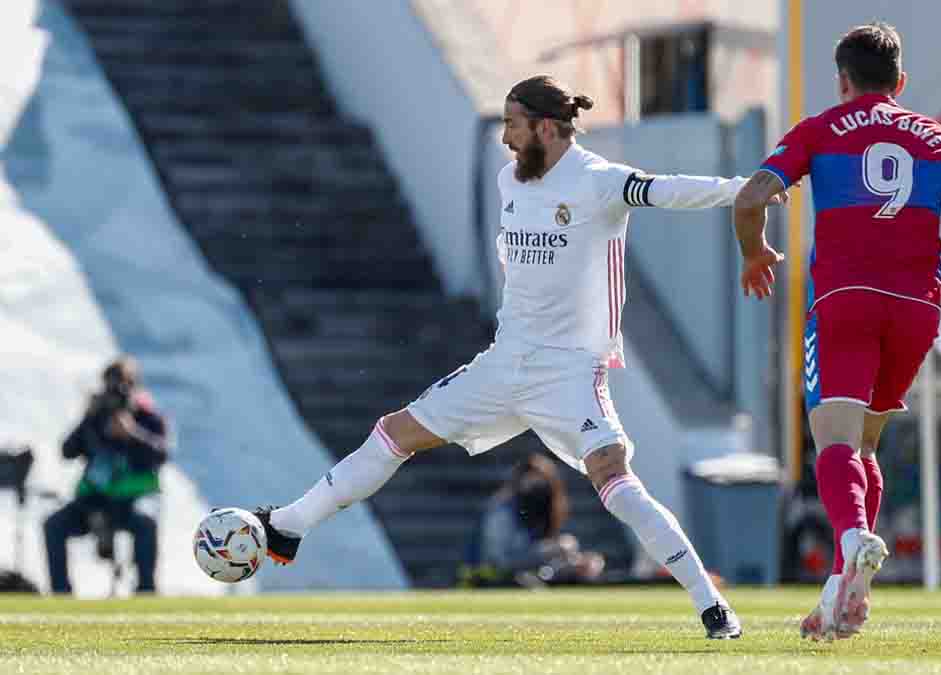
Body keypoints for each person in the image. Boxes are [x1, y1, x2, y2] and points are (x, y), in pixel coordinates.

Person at [252, 75, 786, 639]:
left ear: (546, 127)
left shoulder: (599, 181)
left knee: (615, 480)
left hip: (572, 373)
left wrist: (742, 189)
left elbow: (668, 189)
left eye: (512, 123)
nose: (505, 136)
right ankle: (288, 525)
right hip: (504, 365)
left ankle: (713, 605)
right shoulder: (511, 180)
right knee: (394, 432)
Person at [733, 22, 941, 640]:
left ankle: (854, 537)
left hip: (843, 301)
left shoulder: (821, 130)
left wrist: (754, 254)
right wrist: (940, 294)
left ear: (842, 81)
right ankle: (840, 593)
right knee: (865, 446)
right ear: (901, 82)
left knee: (833, 439)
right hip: (915, 310)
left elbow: (751, 197)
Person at [44, 356, 171, 594]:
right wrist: (88, 418)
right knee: (54, 525)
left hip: (133, 501)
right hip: (94, 502)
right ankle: (60, 592)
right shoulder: (95, 418)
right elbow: (67, 451)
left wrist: (132, 434)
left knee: (146, 522)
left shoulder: (148, 418)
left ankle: (146, 590)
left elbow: (162, 455)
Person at [463, 453, 605, 587]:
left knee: (587, 562)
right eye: (532, 484)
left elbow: (545, 564)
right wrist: (548, 550)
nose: (537, 491)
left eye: (542, 485)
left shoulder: (544, 511)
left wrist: (576, 562)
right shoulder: (501, 513)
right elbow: (498, 562)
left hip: (529, 574)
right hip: (493, 580)